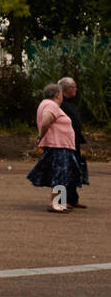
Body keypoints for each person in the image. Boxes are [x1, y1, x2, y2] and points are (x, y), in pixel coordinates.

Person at [28, 83, 80, 212]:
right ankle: (55, 203)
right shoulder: (51, 105)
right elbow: (46, 120)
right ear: (57, 95)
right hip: (58, 146)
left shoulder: (47, 104)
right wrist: (41, 135)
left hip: (60, 145)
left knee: (62, 175)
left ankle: (60, 202)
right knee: (60, 175)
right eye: (61, 94)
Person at [58, 77, 89, 208]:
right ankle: (61, 200)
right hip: (64, 142)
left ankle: (72, 199)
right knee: (64, 171)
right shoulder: (60, 103)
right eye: (74, 87)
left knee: (74, 170)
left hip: (73, 141)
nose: (76, 89)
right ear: (66, 89)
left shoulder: (70, 103)